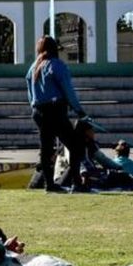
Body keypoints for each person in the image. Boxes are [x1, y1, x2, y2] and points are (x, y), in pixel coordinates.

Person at [26, 35, 86, 193]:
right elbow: (68, 90)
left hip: (39, 111)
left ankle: (49, 184)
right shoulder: (57, 65)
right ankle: (76, 182)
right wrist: (79, 110)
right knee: (75, 146)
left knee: (46, 148)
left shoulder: (33, 68)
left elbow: (30, 95)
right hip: (55, 110)